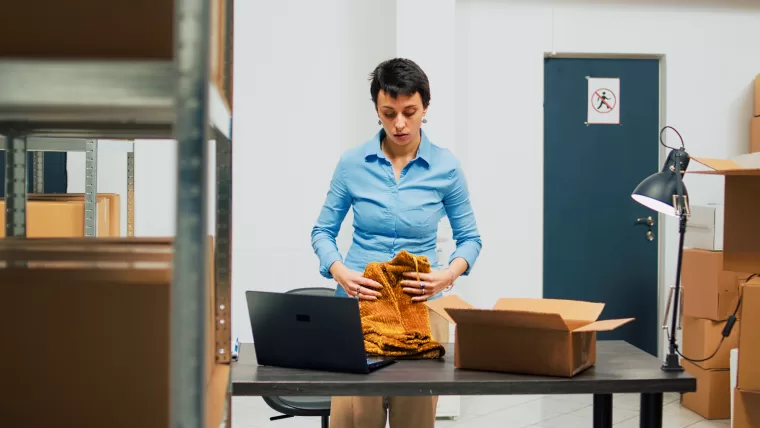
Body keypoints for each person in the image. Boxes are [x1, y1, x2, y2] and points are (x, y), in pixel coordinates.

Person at [310, 58, 482, 428]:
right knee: (356, 417)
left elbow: (470, 240)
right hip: (359, 304)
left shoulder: (446, 168)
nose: (399, 123)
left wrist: (446, 276)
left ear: (425, 109)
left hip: (422, 306)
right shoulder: (352, 164)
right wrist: (340, 272)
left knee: (414, 418)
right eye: (389, 113)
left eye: (409, 112)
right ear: (377, 110)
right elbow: (322, 231)